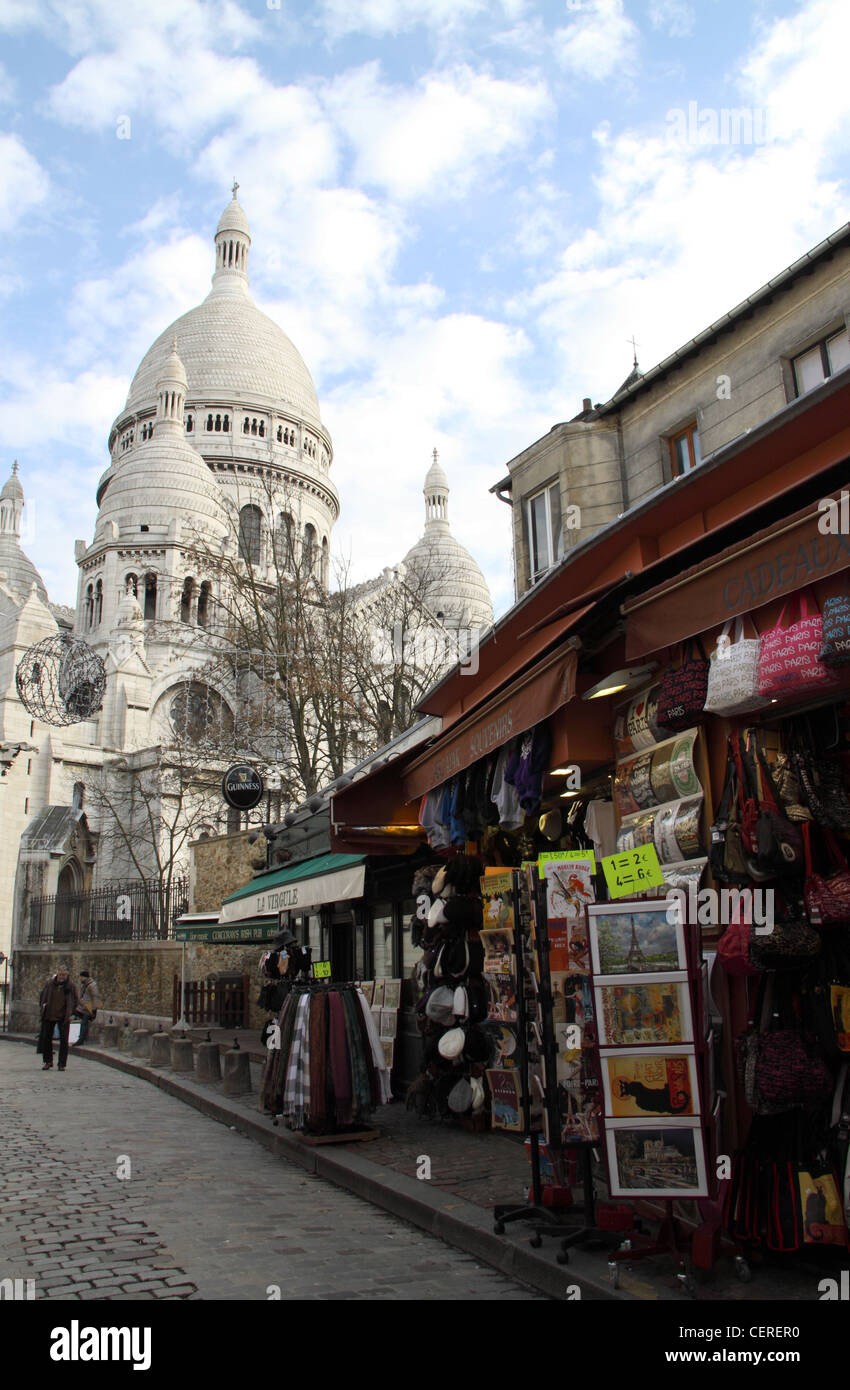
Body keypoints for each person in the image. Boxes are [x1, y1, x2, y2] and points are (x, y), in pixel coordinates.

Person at [38, 966, 78, 1071]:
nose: (62, 977)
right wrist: (43, 1007)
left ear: (67, 975)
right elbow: (43, 996)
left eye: (64, 975)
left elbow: (75, 1000)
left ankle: (61, 1064)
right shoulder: (50, 984)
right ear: (57, 974)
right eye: (60, 974)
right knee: (47, 1039)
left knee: (64, 1041)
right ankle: (48, 1061)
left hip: (63, 1016)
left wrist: (71, 1012)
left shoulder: (70, 986)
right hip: (49, 1014)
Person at [74, 969, 99, 1043]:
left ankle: (81, 1039)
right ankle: (81, 1038)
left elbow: (95, 997)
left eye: (81, 977)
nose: (80, 979)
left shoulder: (92, 985)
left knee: (84, 1023)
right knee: (82, 1022)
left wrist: (94, 1009)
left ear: (85, 977)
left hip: (88, 1008)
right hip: (83, 1007)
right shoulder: (85, 985)